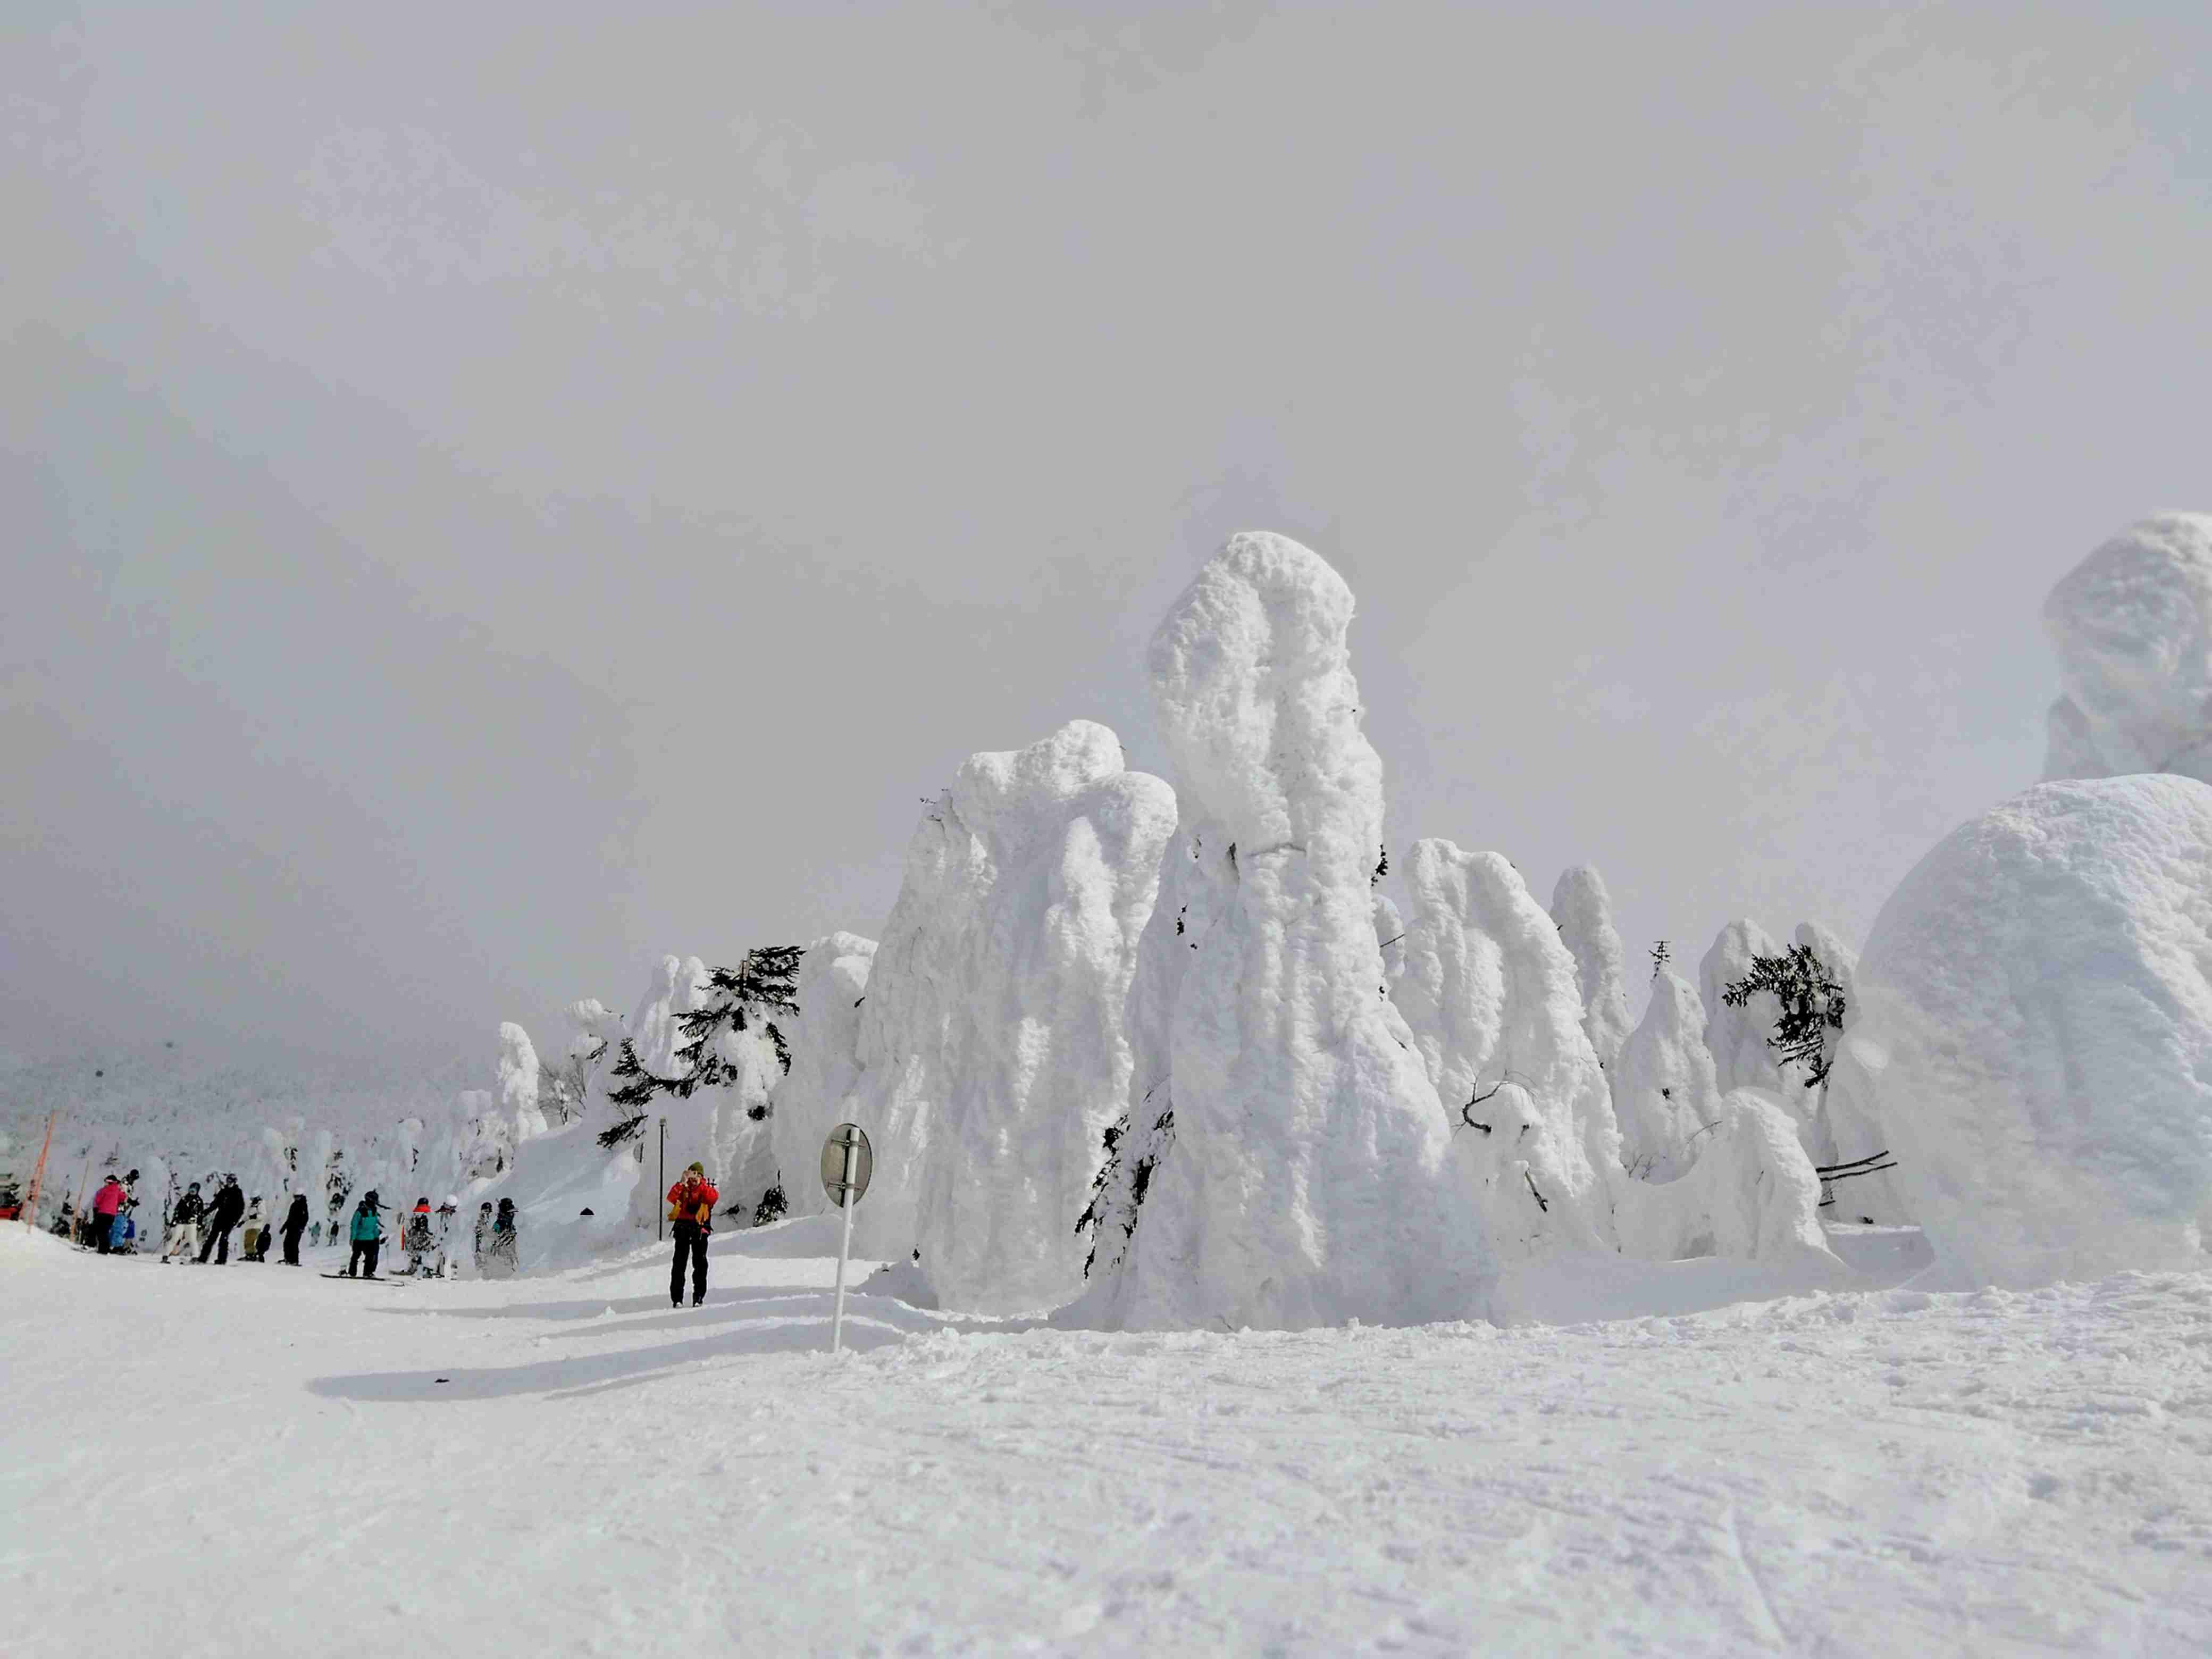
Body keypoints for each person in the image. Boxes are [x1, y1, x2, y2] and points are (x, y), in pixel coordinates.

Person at [665, 1161, 719, 1308]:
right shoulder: (683, 1188)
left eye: (696, 1175)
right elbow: (670, 1198)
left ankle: (699, 1296)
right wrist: (682, 1183)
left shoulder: (706, 1188)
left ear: (701, 1176)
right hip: (682, 1228)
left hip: (700, 1229)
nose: (693, 1179)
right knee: (679, 1264)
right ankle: (677, 1298)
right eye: (691, 1175)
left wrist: (701, 1184)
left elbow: (713, 1198)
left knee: (700, 1264)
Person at [199, 1175, 245, 1264]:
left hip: (230, 1220)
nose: (229, 1182)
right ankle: (203, 1258)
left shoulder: (238, 1192)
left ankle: (222, 1260)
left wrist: (235, 1220)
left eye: (231, 1181)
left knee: (223, 1240)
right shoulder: (223, 1191)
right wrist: (205, 1212)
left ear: (235, 1182)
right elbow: (215, 1204)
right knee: (211, 1239)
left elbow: (240, 1209)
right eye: (228, 1180)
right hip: (219, 1218)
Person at [346, 1190, 386, 1279]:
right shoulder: (360, 1211)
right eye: (374, 1201)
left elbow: (374, 1225)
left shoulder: (374, 1211)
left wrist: (377, 1236)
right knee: (356, 1256)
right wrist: (352, 1238)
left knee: (370, 1257)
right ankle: (352, 1273)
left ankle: (367, 1273)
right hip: (359, 1239)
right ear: (370, 1200)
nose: (375, 1204)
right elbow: (354, 1225)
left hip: (370, 1239)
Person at [163, 1182, 204, 1262]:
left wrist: (200, 1224)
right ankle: (166, 1256)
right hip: (181, 1222)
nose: (192, 1192)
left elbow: (200, 1214)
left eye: (194, 1190)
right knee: (174, 1239)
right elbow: (177, 1210)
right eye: (191, 1189)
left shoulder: (199, 1201)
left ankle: (195, 1257)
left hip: (192, 1223)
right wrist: (174, 1220)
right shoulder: (184, 1199)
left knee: (192, 1240)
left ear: (197, 1191)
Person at [89, 1172, 128, 1256]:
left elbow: (98, 1200)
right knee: (105, 1231)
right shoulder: (117, 1190)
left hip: (103, 1212)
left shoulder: (105, 1190)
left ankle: (91, 1245)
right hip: (112, 1215)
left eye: (106, 1182)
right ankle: (104, 1249)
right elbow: (123, 1197)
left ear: (109, 1182)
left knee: (96, 1229)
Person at [483, 1197, 519, 1279]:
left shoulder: (501, 1220)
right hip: (507, 1241)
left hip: (505, 1243)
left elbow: (494, 1232)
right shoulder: (509, 1215)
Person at [400, 1199, 433, 1276]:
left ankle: (414, 1269)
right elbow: (433, 1228)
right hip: (426, 1237)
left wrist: (407, 1239)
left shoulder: (413, 1214)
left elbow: (408, 1227)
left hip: (414, 1237)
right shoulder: (430, 1214)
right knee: (423, 1254)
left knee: (415, 1254)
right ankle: (423, 1270)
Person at [280, 1192, 311, 1266]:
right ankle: (288, 1259)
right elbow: (290, 1218)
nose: (296, 1198)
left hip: (297, 1229)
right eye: (295, 1197)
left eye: (298, 1197)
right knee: (287, 1244)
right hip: (290, 1228)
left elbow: (306, 1217)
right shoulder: (293, 1205)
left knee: (294, 1244)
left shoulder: (303, 1205)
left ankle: (294, 1261)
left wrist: (302, 1227)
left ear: (301, 1196)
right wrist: (284, 1227)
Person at [432, 1196, 459, 1277]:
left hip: (450, 1240)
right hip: (440, 1238)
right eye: (448, 1207)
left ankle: (447, 1272)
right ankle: (438, 1271)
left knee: (447, 1255)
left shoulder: (456, 1216)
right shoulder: (438, 1214)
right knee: (440, 1254)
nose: (449, 1210)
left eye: (452, 1208)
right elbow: (436, 1227)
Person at [240, 1196, 265, 1262]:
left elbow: (263, 1215)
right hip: (249, 1226)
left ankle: (252, 1255)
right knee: (247, 1241)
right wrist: (243, 1221)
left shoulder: (261, 1205)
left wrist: (255, 1217)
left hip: (256, 1226)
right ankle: (248, 1254)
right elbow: (248, 1215)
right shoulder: (251, 1206)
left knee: (252, 1240)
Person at [473, 1201, 493, 1274]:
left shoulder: (492, 1218)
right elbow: (475, 1227)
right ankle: (480, 1267)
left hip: (490, 1239)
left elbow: (492, 1227)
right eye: (484, 1211)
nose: (486, 1213)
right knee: (480, 1252)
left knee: (489, 1253)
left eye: (487, 1211)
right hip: (481, 1239)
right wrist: (477, 1228)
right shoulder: (479, 1218)